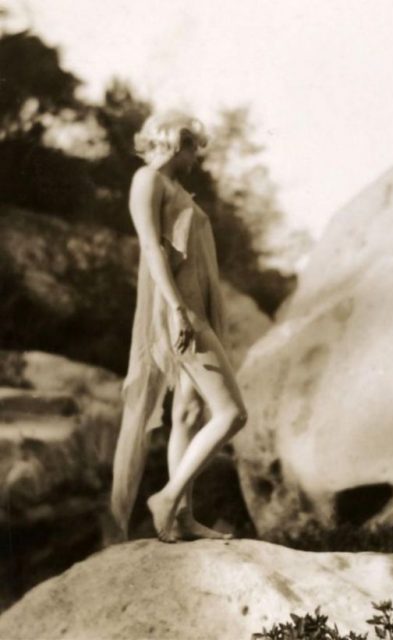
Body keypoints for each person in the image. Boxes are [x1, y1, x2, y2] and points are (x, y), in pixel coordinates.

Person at [110, 112, 248, 543]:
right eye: (194, 149)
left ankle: (182, 519)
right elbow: (151, 247)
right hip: (180, 312)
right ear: (176, 142)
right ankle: (167, 498)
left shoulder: (174, 187)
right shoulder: (147, 180)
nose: (196, 159)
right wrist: (177, 309)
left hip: (193, 309)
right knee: (232, 414)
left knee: (188, 412)